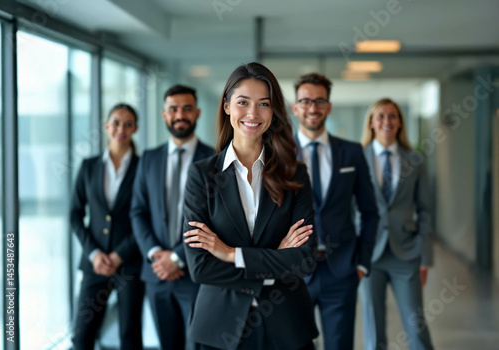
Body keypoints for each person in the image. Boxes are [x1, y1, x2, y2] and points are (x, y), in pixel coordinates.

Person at [183, 62, 318, 350]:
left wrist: (232, 254)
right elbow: (200, 267)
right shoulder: (202, 176)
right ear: (227, 106)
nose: (253, 114)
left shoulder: (294, 175)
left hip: (287, 325)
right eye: (243, 102)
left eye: (264, 104)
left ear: (274, 111)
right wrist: (275, 260)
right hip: (220, 327)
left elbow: (305, 260)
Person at [292, 73, 379, 350]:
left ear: (329, 106)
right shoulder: (277, 154)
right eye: (305, 101)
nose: (312, 108)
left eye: (319, 101)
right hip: (292, 272)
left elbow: (370, 212)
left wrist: (362, 263)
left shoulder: (351, 153)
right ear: (295, 108)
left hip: (341, 271)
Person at [130, 85, 214, 349]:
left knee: (197, 344)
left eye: (187, 109)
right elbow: (138, 211)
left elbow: (215, 218)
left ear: (197, 113)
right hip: (157, 274)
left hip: (195, 273)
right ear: (164, 114)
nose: (180, 115)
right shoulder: (149, 159)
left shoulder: (214, 159)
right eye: (173, 109)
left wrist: (177, 256)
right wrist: (156, 253)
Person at [358, 98, 434, 350]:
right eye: (380, 116)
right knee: (373, 328)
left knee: (416, 325)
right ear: (371, 122)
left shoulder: (415, 160)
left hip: (407, 253)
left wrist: (425, 257)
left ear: (400, 122)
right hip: (368, 255)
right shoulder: (357, 157)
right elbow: (348, 210)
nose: (386, 121)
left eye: (392, 116)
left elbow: (425, 210)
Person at [70, 103, 144, 350]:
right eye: (115, 122)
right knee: (82, 336)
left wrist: (119, 254)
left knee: (129, 335)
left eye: (127, 124)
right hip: (95, 262)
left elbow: (146, 217)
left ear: (135, 128)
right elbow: (75, 214)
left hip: (130, 262)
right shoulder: (89, 166)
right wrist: (94, 253)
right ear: (106, 126)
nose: (120, 129)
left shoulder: (143, 167)